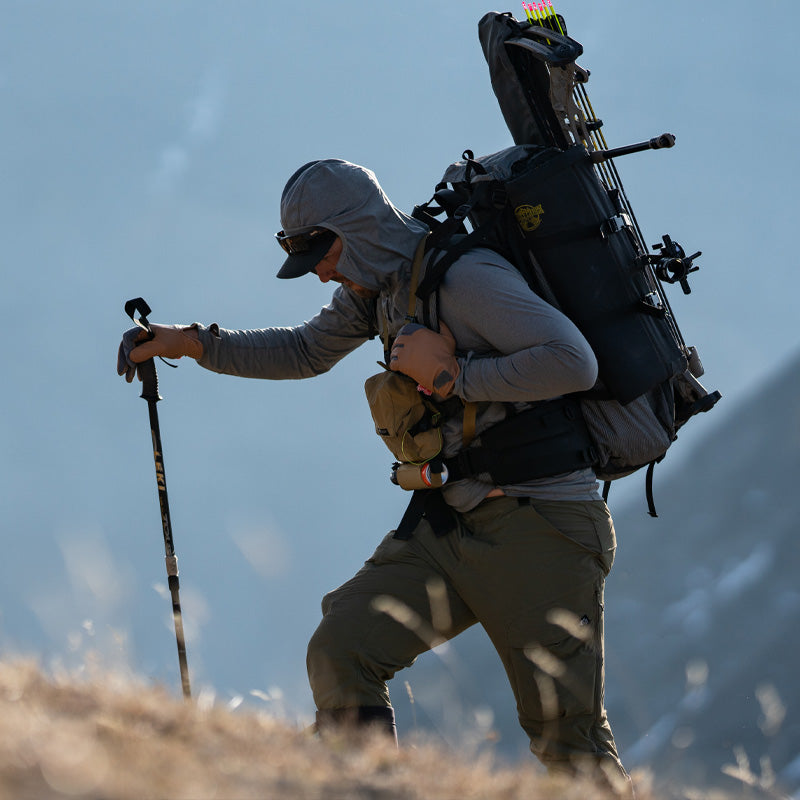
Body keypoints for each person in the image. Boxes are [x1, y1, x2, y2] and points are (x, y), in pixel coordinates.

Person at [118, 158, 633, 796]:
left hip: (542, 527)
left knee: (567, 736)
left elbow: (572, 362)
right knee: (342, 648)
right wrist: (192, 343)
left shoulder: (467, 278)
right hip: (451, 520)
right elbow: (307, 351)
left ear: (355, 229)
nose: (324, 272)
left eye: (325, 254)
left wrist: (453, 379)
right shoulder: (384, 288)